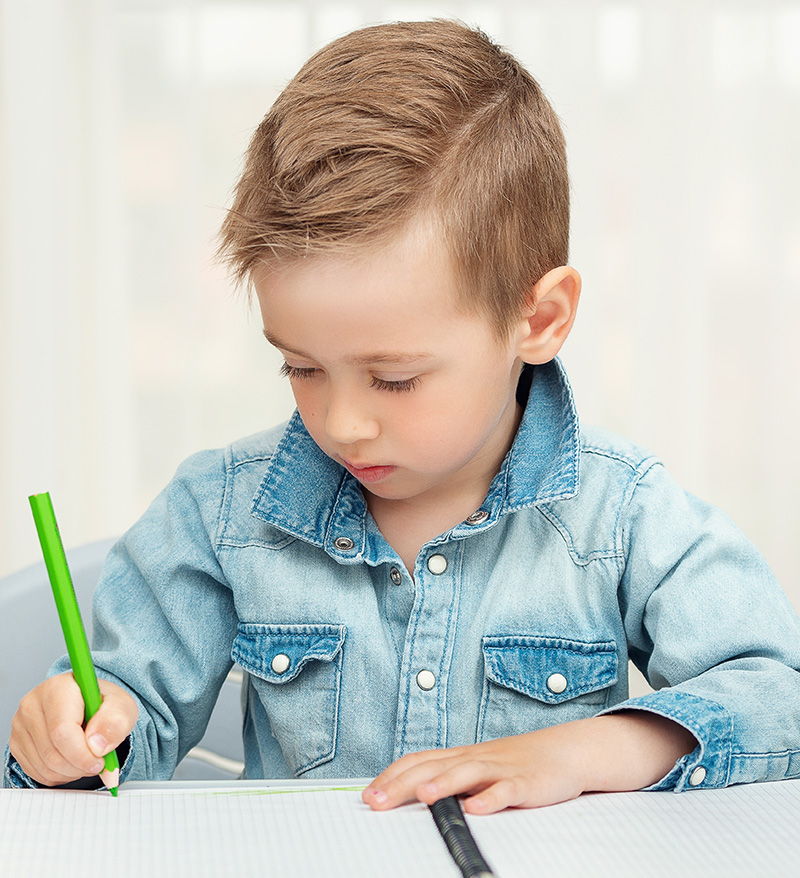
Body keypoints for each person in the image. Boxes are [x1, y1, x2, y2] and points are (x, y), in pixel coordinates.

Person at [6, 20, 800, 814]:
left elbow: (777, 697)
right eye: (302, 367)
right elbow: (120, 725)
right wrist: (73, 740)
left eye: (394, 379)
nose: (343, 422)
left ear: (541, 318)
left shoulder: (622, 514)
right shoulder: (219, 514)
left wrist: (587, 751)